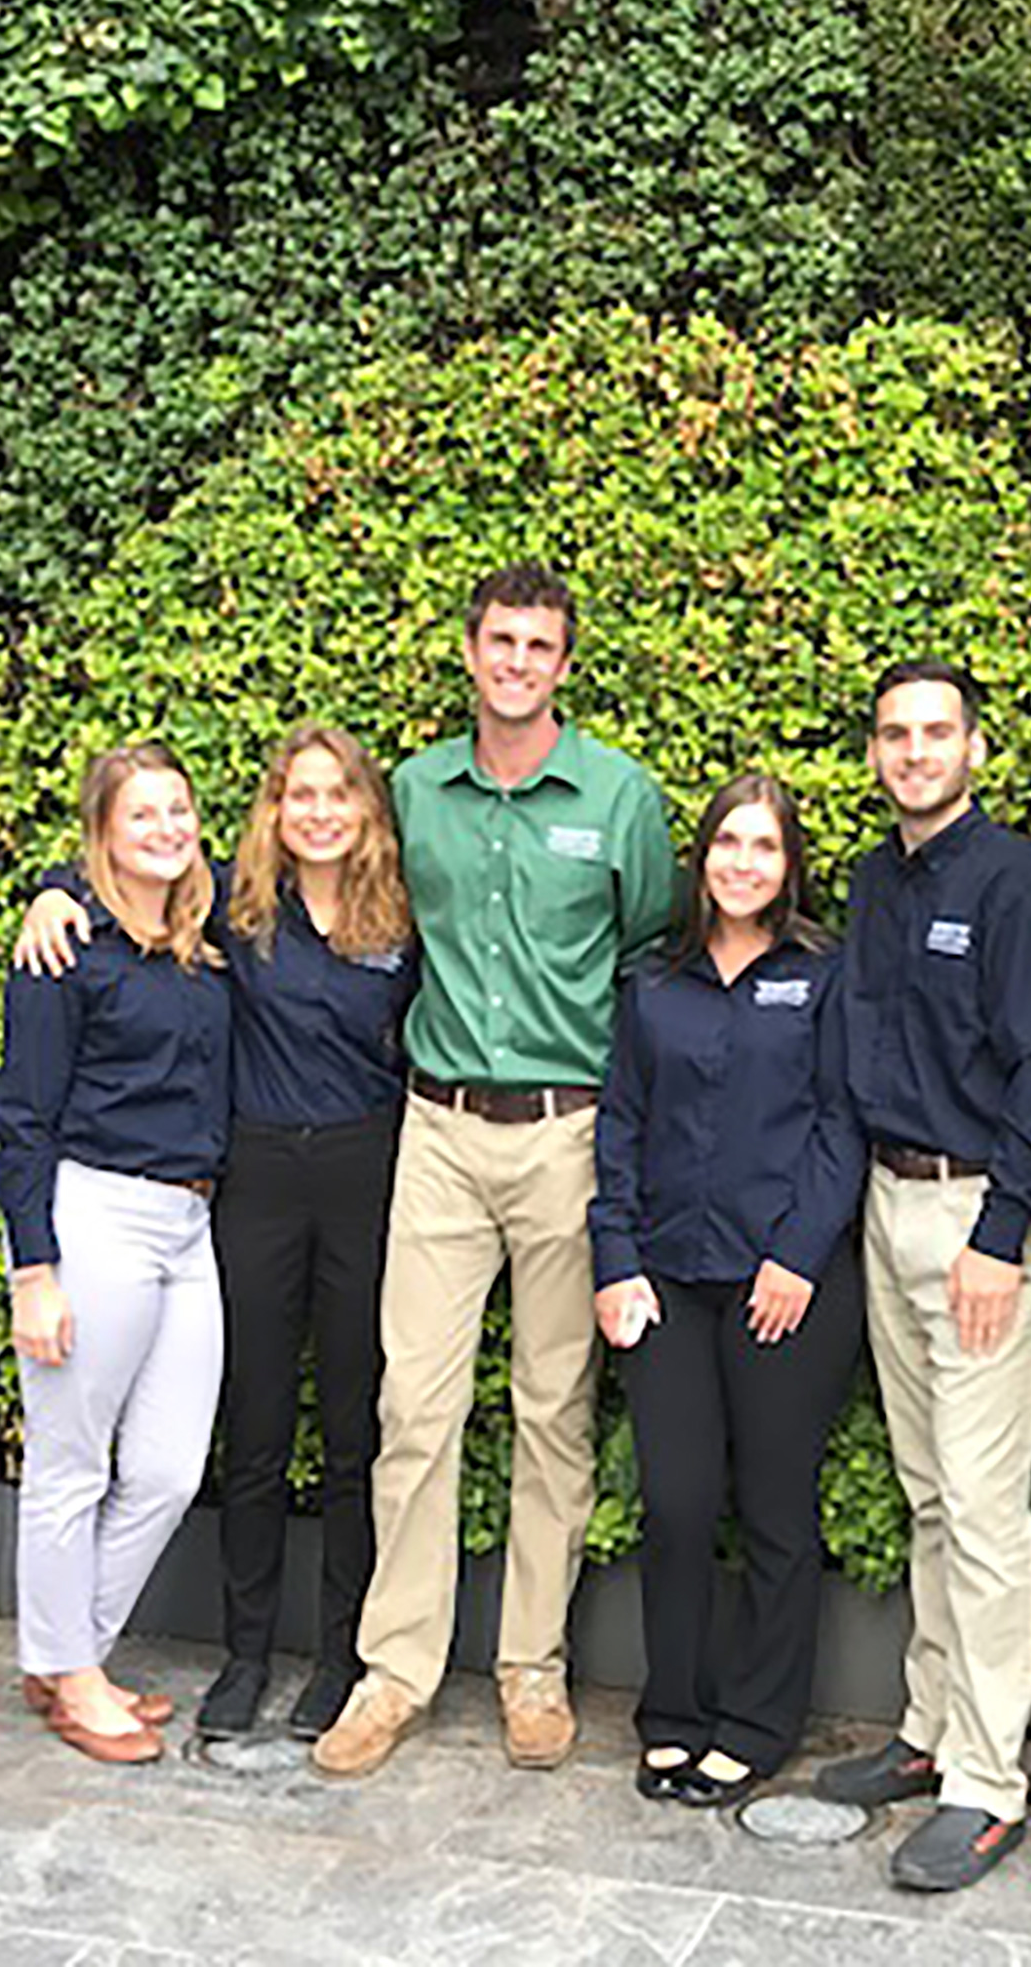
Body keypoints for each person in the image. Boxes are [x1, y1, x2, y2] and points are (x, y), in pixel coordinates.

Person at [312, 563, 675, 1779]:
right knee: (413, 1407)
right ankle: (396, 1670)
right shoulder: (414, 789)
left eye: (540, 646)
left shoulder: (618, 795)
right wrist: (65, 891)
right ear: (469, 654)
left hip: (570, 1135)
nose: (518, 662)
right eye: (500, 642)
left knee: (554, 1408)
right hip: (440, 1133)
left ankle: (532, 1666)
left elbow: (644, 951)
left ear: (563, 664)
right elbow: (299, 873)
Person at [15, 729, 421, 1745]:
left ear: (369, 810)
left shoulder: (397, 921)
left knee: (338, 1434)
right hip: (244, 1187)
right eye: (299, 794)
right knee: (251, 1428)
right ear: (273, 814)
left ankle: (334, 1655)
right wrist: (52, 887)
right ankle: (235, 1659)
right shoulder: (237, 915)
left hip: (356, 1178)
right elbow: (116, 875)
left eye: (341, 794)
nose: (321, 811)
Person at [810, 661, 1031, 1894]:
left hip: (975, 1217)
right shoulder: (875, 879)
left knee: (981, 1509)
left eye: (936, 733)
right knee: (927, 1492)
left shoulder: (1016, 884)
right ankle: (927, 1734)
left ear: (976, 748)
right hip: (887, 1201)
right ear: (876, 752)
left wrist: (1002, 1232)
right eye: (894, 734)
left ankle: (987, 1784)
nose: (914, 752)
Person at [590, 774, 866, 1810]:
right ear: (701, 860)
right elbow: (618, 1125)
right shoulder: (655, 984)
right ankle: (674, 1714)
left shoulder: (823, 974)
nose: (744, 863)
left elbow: (844, 1123)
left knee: (775, 1511)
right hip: (667, 1281)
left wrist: (797, 1255)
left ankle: (757, 1723)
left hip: (783, 1287)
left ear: (790, 865)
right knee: (676, 1503)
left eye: (765, 847)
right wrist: (614, 1261)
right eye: (728, 844)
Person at [0, 743, 231, 1765]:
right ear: (102, 834)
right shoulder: (64, 950)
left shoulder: (198, 942)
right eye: (143, 816)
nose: (167, 829)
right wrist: (32, 1271)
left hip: (189, 1224)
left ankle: (67, 1653)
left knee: (170, 1469)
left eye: (179, 810)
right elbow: (21, 1118)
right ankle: (71, 1672)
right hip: (95, 1218)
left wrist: (50, 884)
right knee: (69, 1464)